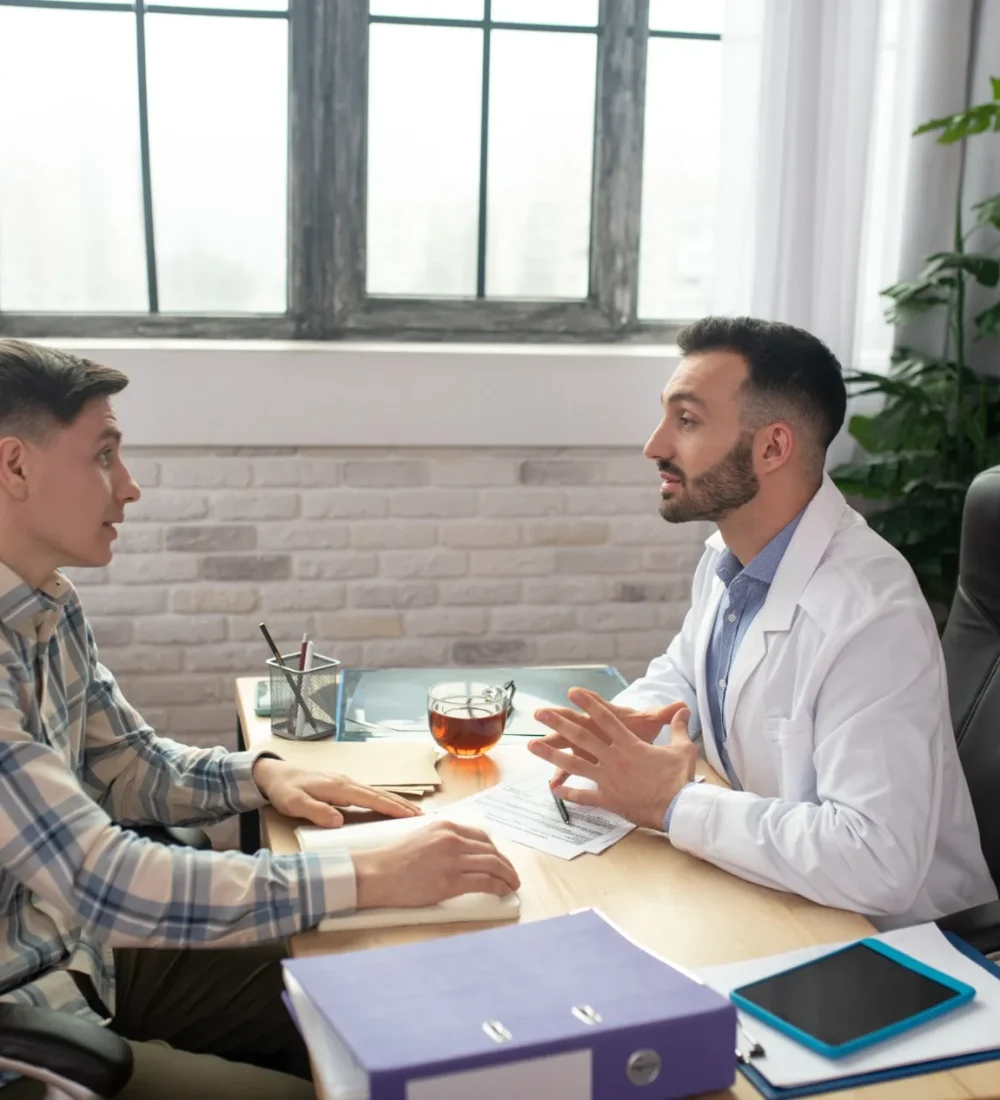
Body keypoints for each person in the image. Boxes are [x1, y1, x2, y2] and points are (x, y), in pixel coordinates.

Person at [0, 339, 520, 1098]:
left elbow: (128, 766)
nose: (131, 488)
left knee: (398, 1004)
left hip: (92, 953)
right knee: (339, 1080)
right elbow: (100, 878)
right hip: (30, 1015)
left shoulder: (47, 605)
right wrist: (368, 871)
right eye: (104, 455)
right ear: (14, 466)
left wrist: (267, 774)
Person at [530, 316, 996, 929]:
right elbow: (690, 675)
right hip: (774, 895)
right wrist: (637, 724)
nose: (655, 446)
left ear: (773, 447)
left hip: (894, 940)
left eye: (687, 421)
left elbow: (878, 860)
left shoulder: (870, 615)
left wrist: (673, 803)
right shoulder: (732, 557)